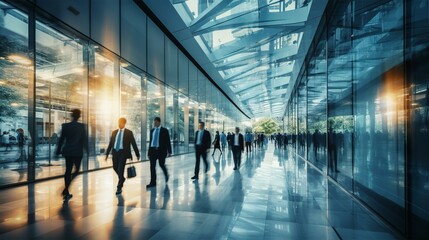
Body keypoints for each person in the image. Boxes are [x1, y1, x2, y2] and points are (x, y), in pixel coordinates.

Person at [56, 109, 88, 202]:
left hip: (68, 151)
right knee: (76, 170)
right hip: (77, 152)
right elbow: (84, 140)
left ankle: (66, 192)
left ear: (72, 116)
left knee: (68, 170)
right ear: (79, 116)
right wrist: (87, 150)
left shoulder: (65, 126)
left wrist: (57, 151)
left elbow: (61, 139)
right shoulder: (82, 127)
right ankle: (66, 189)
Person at [105, 117, 140, 194]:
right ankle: (122, 178)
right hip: (115, 153)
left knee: (121, 169)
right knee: (115, 167)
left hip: (123, 153)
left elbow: (133, 143)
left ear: (124, 124)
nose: (119, 124)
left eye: (121, 123)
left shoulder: (129, 132)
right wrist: (107, 154)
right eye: (118, 123)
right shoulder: (114, 132)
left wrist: (137, 154)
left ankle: (119, 187)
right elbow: (111, 143)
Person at [146, 117, 172, 188]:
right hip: (152, 151)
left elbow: (168, 141)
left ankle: (166, 174)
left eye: (155, 122)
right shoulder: (152, 131)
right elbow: (151, 142)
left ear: (159, 122)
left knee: (161, 164)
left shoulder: (164, 130)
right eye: (154, 122)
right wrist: (148, 153)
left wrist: (169, 151)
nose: (154, 123)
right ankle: (153, 182)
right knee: (152, 167)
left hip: (161, 151)